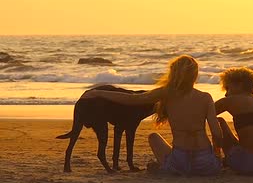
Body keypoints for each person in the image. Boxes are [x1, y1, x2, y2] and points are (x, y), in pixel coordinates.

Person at [81, 55, 223, 176]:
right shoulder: (205, 97)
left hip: (179, 161)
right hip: (205, 163)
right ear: (195, 75)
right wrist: (217, 153)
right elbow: (217, 133)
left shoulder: (166, 93)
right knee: (209, 160)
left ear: (173, 73)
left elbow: (133, 99)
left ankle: (166, 167)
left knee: (153, 137)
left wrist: (98, 93)